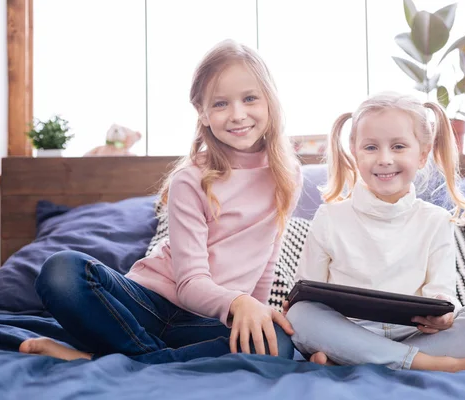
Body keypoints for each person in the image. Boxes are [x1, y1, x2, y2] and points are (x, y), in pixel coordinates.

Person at [19, 39, 302, 364]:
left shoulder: (287, 175)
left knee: (278, 344)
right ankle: (149, 357)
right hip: (148, 303)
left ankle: (108, 357)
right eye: (221, 103)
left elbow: (265, 261)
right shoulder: (191, 179)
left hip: (211, 321)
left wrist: (258, 312)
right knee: (61, 272)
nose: (238, 114)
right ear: (203, 113)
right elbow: (190, 283)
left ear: (270, 101)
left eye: (250, 98)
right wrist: (240, 302)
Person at [285, 92, 465, 374]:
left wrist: (444, 317)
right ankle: (439, 365)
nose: (385, 159)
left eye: (398, 146)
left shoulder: (436, 220)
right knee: (301, 316)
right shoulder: (330, 217)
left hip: (415, 336)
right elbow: (309, 292)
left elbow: (442, 294)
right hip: (347, 330)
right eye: (371, 147)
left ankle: (355, 360)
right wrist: (299, 305)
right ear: (355, 152)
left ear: (422, 155)